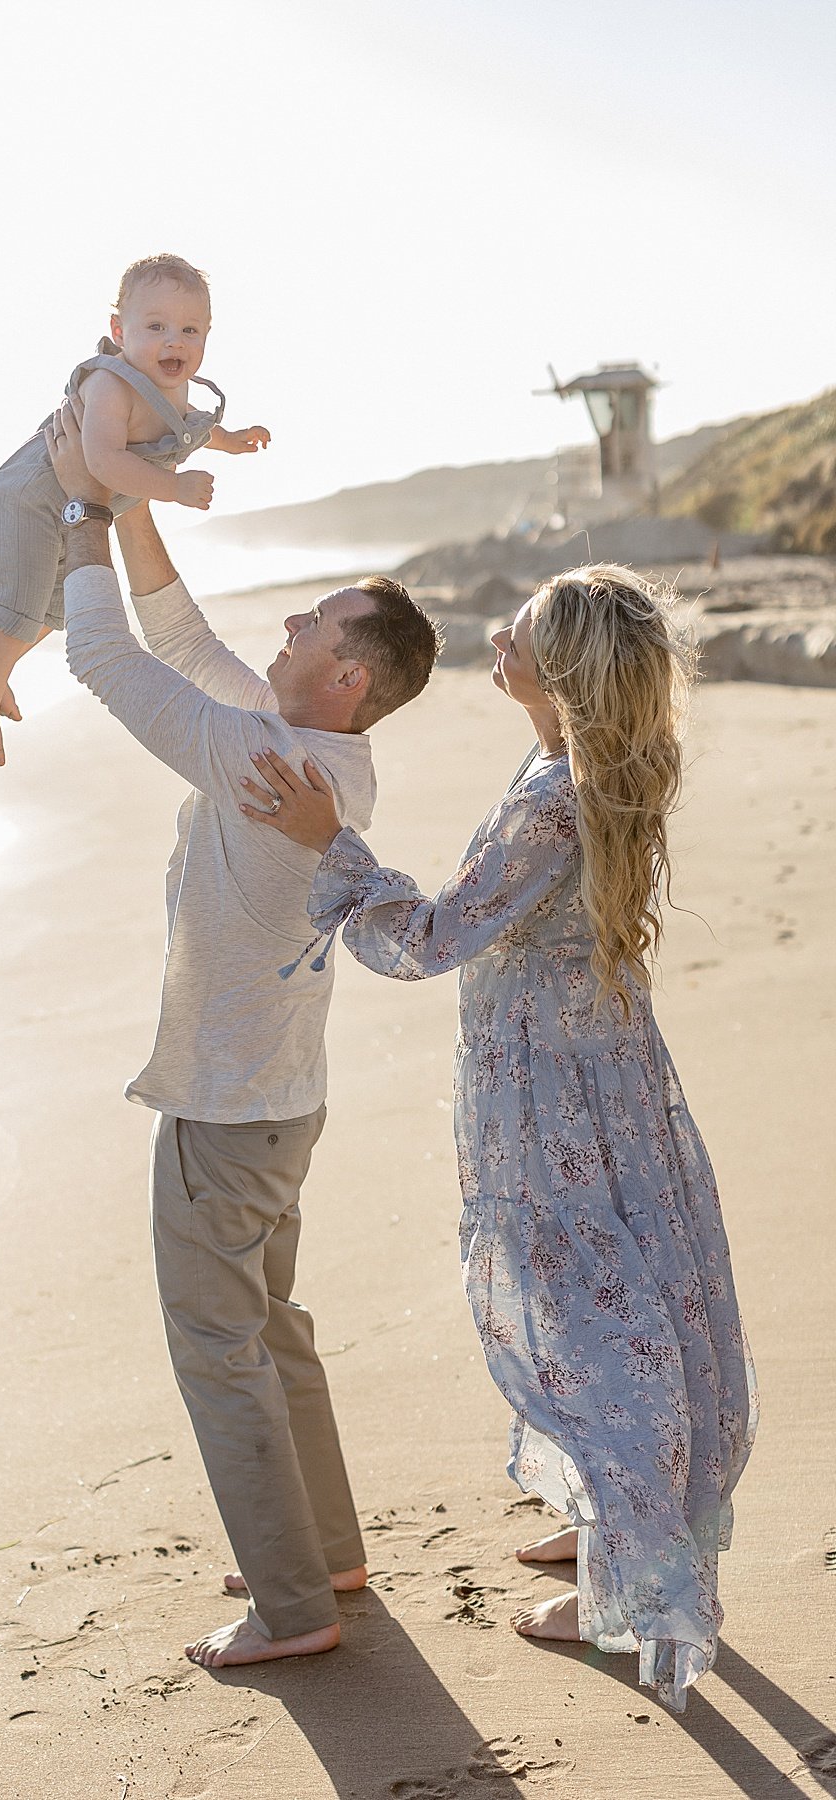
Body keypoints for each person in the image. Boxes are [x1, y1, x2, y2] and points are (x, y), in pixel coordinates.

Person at [241, 567, 757, 1711]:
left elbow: (430, 939)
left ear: (560, 673)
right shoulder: (594, 768)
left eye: (516, 634)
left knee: (591, 1321)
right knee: (640, 1287)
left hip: (552, 1093)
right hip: (603, 1069)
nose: (492, 637)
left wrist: (335, 842)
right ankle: (616, 1531)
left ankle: (633, 1584)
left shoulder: (552, 796)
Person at [43, 396, 440, 1668]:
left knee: (218, 1350)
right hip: (282, 1101)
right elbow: (175, 629)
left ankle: (291, 1607)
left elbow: (107, 660)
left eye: (315, 622)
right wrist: (131, 497)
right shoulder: (311, 750)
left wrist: (73, 503)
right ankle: (321, 1554)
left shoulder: (264, 768)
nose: (291, 621)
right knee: (271, 1331)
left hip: (225, 1114)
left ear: (350, 674)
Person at [0, 252, 270, 766]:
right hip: (29, 503)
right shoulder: (111, 384)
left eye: (190, 330)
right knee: (16, 609)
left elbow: (189, 422)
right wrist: (174, 487)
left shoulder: (175, 388)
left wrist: (229, 440)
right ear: (119, 331)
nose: (174, 340)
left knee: (53, 612)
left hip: (68, 508)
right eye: (156, 326)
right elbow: (101, 461)